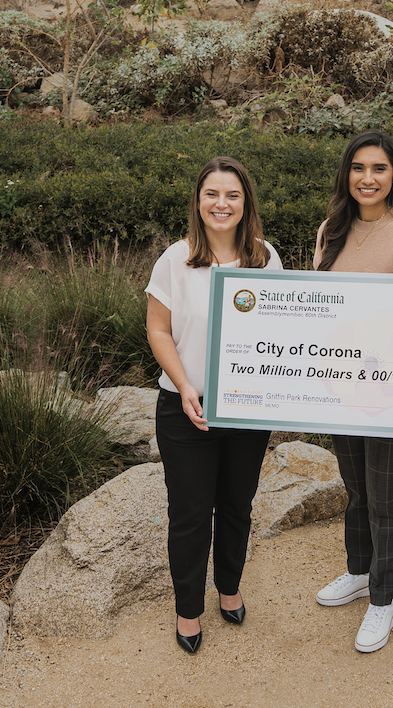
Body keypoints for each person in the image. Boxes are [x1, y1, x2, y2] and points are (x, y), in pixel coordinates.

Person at [312, 129, 393, 653]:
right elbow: (319, 310)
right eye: (359, 168)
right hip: (344, 388)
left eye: (379, 169)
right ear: (347, 174)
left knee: (386, 500)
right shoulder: (331, 230)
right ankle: (360, 572)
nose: (368, 178)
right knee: (357, 490)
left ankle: (384, 601)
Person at [145, 156, 283, 654]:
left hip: (246, 410)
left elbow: (280, 331)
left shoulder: (266, 258)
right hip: (186, 409)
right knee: (188, 513)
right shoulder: (175, 259)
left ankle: (229, 587)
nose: (221, 204)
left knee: (237, 507)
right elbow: (158, 330)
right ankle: (188, 609)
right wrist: (184, 386)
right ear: (198, 203)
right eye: (212, 195)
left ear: (246, 203)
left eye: (232, 195)